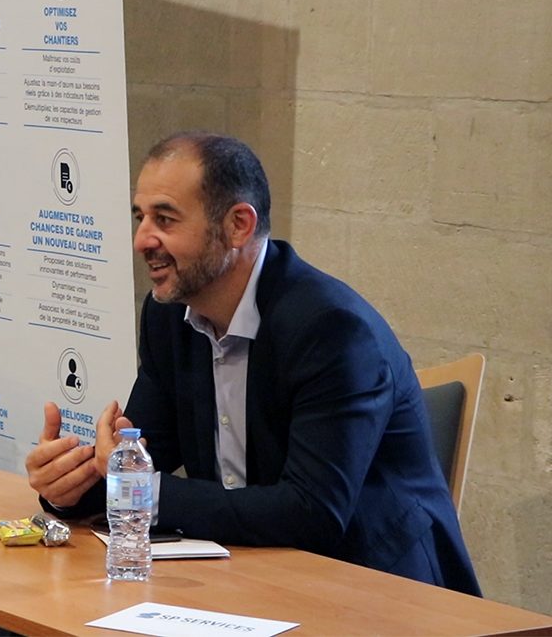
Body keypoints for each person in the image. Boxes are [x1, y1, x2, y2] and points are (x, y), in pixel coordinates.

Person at [26, 131, 481, 596]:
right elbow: (139, 458)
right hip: (242, 575)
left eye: (165, 219)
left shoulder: (332, 330)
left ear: (238, 225)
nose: (143, 239)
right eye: (140, 217)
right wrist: (68, 488)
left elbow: (313, 512)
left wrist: (138, 489)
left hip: (372, 588)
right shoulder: (168, 318)